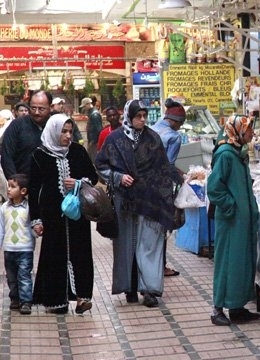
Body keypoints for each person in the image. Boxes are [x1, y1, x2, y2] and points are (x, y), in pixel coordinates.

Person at [94, 99, 183, 308]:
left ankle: (149, 289)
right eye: (138, 116)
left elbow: (163, 167)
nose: (142, 120)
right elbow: (100, 165)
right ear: (129, 117)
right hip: (123, 201)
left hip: (149, 200)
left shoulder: (153, 139)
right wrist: (117, 177)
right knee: (125, 245)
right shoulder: (114, 139)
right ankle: (129, 288)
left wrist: (176, 182)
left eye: (144, 116)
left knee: (149, 244)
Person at [28, 113, 99, 314]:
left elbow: (93, 177)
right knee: (55, 254)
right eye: (63, 131)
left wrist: (79, 182)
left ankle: (82, 298)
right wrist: (36, 220)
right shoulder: (39, 155)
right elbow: (34, 190)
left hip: (78, 215)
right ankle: (56, 300)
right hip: (52, 216)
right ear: (53, 131)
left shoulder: (77, 151)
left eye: (70, 131)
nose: (68, 136)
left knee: (81, 253)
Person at [208, 115, 260, 326]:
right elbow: (214, 188)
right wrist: (232, 207)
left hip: (240, 221)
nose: (252, 134)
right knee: (226, 263)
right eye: (249, 130)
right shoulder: (226, 155)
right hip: (231, 221)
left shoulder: (238, 153)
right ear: (237, 131)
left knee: (241, 262)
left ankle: (237, 306)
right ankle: (217, 308)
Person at [151, 98, 186, 277]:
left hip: (144, 186)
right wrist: (182, 179)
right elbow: (168, 165)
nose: (180, 127)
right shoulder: (173, 136)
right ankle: (161, 266)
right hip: (161, 188)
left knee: (149, 227)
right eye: (181, 123)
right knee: (163, 226)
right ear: (176, 121)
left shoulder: (152, 128)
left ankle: (150, 264)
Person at [0, 173, 36, 315]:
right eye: (8, 186)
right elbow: (1, 227)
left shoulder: (29, 208)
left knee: (24, 276)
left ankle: (26, 301)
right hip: (9, 249)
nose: (8, 189)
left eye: (13, 187)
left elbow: (33, 226)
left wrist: (37, 232)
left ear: (23, 191)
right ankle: (15, 298)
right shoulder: (4, 208)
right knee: (11, 277)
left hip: (25, 248)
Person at [1, 91, 52, 179]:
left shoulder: (55, 126)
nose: (36, 112)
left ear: (50, 107)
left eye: (41, 109)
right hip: (23, 183)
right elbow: (7, 156)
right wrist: (15, 182)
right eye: (33, 108)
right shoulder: (17, 125)